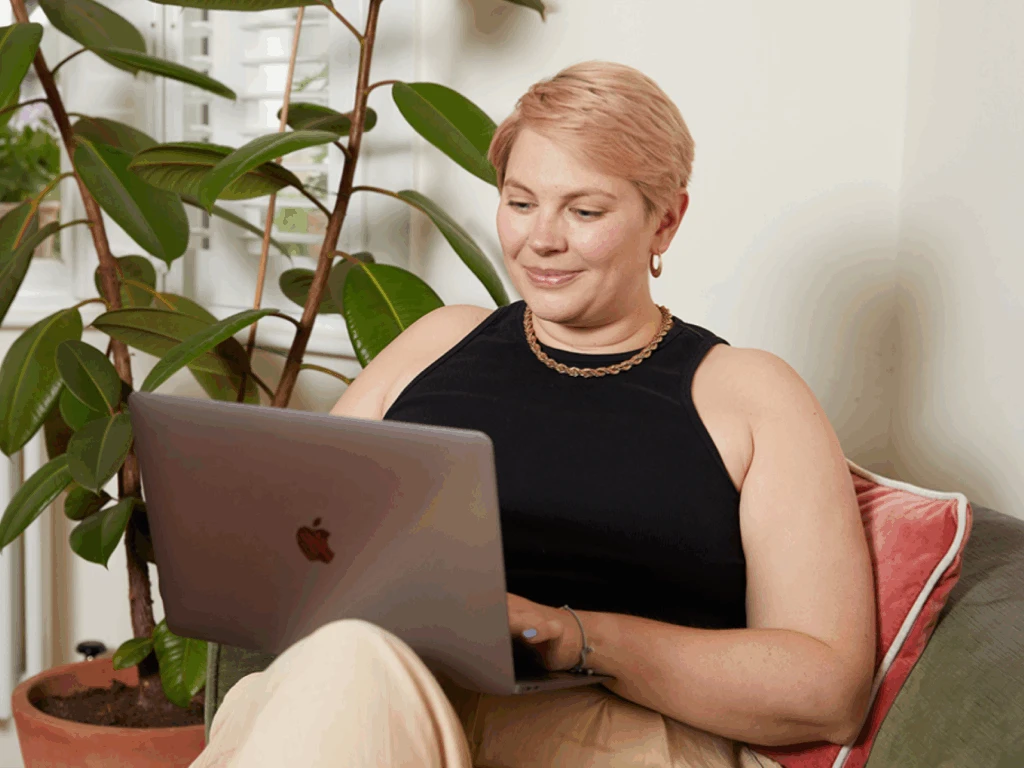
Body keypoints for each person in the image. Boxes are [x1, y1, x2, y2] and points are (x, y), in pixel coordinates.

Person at [190, 60, 877, 768]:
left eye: (584, 212)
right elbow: (298, 533)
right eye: (520, 204)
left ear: (665, 220)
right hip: (380, 695)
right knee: (348, 662)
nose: (541, 240)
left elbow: (828, 688)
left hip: (609, 733)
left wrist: (569, 635)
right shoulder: (438, 340)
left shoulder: (748, 394)